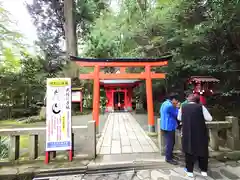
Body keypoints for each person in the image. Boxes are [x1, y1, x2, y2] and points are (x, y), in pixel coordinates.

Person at [177, 94, 212, 178]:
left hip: (187, 133)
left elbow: (179, 118)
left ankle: (190, 171)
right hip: (200, 133)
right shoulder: (201, 107)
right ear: (197, 100)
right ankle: (203, 170)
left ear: (189, 100)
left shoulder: (183, 107)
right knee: (202, 150)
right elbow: (209, 118)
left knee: (189, 151)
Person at [160, 93, 179, 165]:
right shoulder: (170, 106)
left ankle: (169, 155)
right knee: (170, 143)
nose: (177, 102)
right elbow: (177, 114)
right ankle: (168, 158)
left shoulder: (164, 103)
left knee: (169, 142)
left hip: (164, 125)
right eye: (176, 100)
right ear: (173, 99)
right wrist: (177, 107)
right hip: (169, 126)